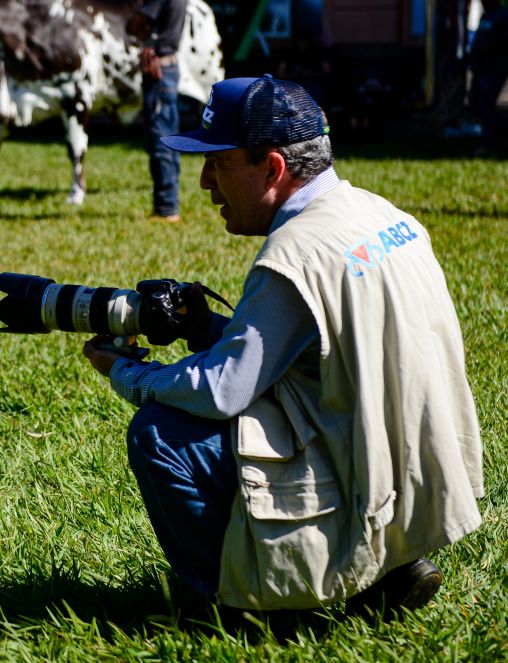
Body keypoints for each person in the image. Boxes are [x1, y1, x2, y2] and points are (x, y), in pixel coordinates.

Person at [82, 75, 483, 616]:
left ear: (272, 168)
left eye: (218, 163)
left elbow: (223, 392)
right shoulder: (383, 214)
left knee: (162, 435)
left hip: (363, 478)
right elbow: (310, 351)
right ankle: (392, 563)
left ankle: (236, 606)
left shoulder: (293, 255)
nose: (204, 182)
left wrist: (127, 373)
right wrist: (206, 330)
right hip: (417, 478)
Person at [128, 0, 187, 223]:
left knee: (160, 139)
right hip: (169, 68)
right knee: (169, 138)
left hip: (158, 71)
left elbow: (134, 25)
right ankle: (168, 203)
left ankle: (166, 208)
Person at [471, 0, 508, 155]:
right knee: (481, 106)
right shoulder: (486, 14)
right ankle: (492, 140)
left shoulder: (503, 15)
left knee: (487, 105)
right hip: (481, 68)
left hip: (495, 68)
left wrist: (489, 47)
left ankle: (490, 143)